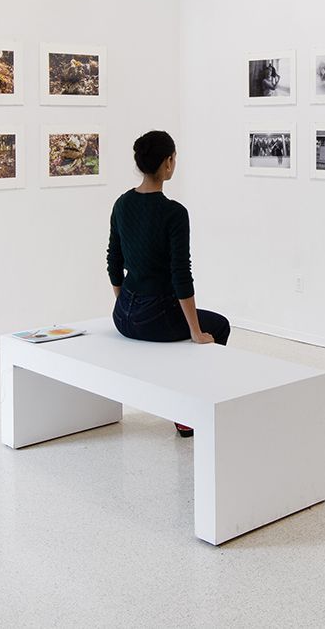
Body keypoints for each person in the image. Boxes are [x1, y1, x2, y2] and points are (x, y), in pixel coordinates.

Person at [107, 130, 230, 438]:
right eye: (174, 158)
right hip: (155, 317)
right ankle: (189, 416)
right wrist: (195, 332)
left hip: (122, 316)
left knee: (195, 325)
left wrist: (124, 303)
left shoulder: (122, 204)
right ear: (167, 163)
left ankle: (188, 406)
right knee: (220, 326)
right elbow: (181, 276)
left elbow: (113, 261)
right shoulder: (174, 213)